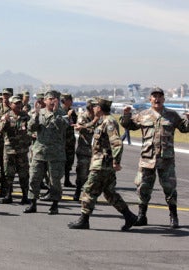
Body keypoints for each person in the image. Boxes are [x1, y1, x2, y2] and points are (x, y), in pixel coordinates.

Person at [120, 87, 189, 228]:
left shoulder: (172, 115)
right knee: (143, 188)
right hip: (147, 159)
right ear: (150, 99)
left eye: (159, 96)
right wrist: (126, 115)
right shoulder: (143, 115)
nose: (157, 99)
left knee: (169, 189)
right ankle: (141, 216)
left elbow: (184, 128)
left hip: (166, 159)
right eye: (154, 96)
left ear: (163, 99)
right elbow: (129, 125)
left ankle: (173, 217)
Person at [68, 98, 137, 231]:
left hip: (102, 164)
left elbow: (117, 142)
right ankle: (129, 216)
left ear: (99, 108)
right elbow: (93, 128)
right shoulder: (102, 121)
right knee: (109, 193)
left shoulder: (109, 121)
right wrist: (81, 127)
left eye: (95, 106)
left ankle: (84, 220)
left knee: (88, 190)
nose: (93, 108)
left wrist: (116, 162)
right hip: (101, 163)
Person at [23, 90, 70, 215]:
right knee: (34, 177)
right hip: (39, 151)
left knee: (55, 181)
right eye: (50, 99)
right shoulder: (39, 113)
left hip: (56, 154)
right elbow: (31, 128)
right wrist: (36, 115)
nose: (52, 101)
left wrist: (55, 114)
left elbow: (64, 127)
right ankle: (33, 203)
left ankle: (54, 205)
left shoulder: (62, 114)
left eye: (55, 99)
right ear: (45, 100)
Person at [0, 95, 31, 204]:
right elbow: (0, 131)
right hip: (9, 150)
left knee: (24, 174)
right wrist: (5, 122)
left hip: (22, 150)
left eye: (19, 103)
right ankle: (8, 195)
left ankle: (25, 196)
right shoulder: (6, 116)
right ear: (11, 105)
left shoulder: (25, 116)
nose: (18, 105)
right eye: (16, 103)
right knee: (9, 173)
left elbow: (31, 129)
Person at [72, 98, 99, 201]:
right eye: (95, 106)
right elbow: (81, 128)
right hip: (84, 150)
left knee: (93, 176)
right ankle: (78, 191)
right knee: (82, 174)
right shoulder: (83, 116)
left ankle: (88, 195)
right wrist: (93, 123)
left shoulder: (99, 118)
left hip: (96, 151)